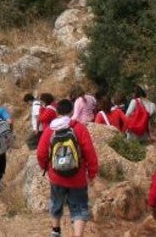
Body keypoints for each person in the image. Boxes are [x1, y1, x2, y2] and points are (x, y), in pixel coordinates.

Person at [37, 98, 99, 237]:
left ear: (57, 112)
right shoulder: (79, 128)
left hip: (56, 175)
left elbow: (41, 153)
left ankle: (56, 231)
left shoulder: (50, 130)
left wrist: (45, 167)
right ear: (72, 111)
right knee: (79, 208)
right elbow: (90, 152)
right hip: (77, 177)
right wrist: (92, 173)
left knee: (56, 202)